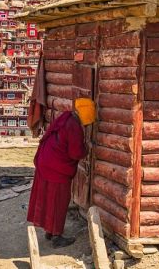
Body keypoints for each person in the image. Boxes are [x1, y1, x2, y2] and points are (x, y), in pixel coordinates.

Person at [27, 97, 96, 248]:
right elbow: (75, 153)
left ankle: (49, 231)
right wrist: (88, 147)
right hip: (56, 168)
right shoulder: (74, 127)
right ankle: (57, 236)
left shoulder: (66, 116)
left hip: (45, 161)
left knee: (48, 198)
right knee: (58, 201)